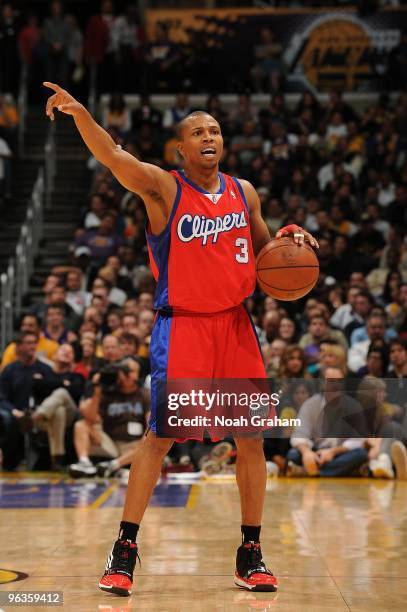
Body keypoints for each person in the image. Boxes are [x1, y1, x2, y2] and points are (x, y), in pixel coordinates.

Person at [44, 80, 318, 597]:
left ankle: (250, 551)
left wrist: (291, 240)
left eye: (215, 129)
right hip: (184, 325)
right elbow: (113, 156)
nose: (209, 136)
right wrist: (82, 114)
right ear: (183, 149)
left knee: (252, 439)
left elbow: (268, 258)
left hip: (236, 325)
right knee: (161, 437)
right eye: (198, 131)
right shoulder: (163, 188)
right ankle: (124, 550)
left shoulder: (245, 193)